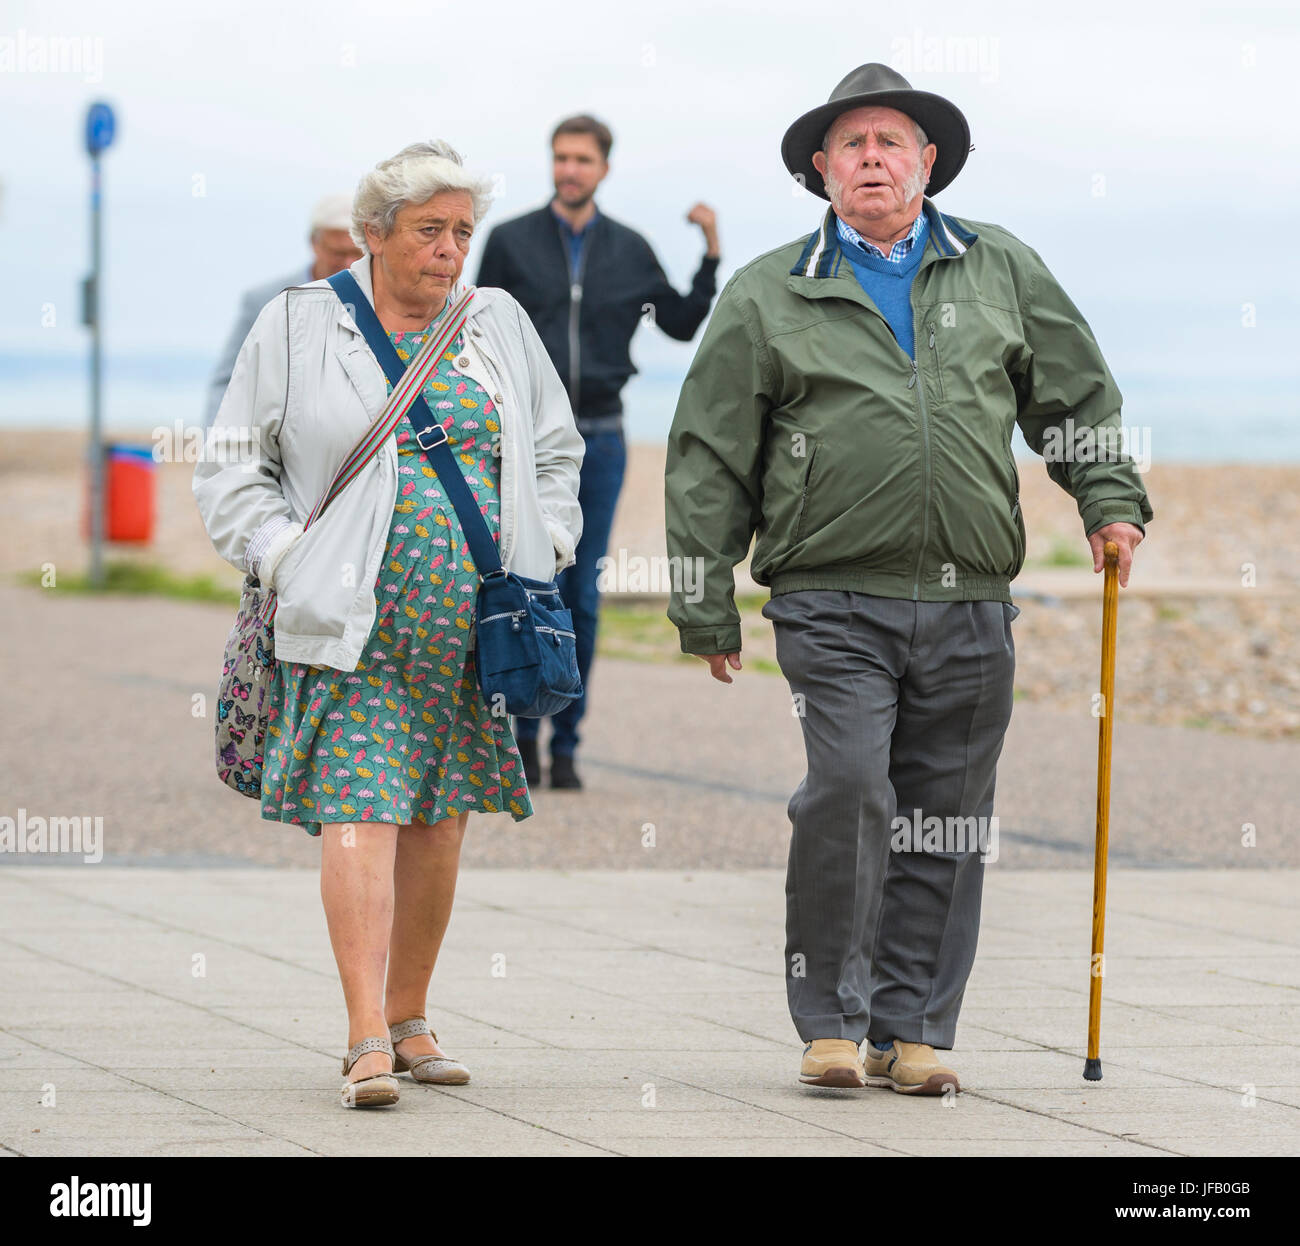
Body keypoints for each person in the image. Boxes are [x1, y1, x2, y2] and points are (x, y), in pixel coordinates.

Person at [664, 64, 1152, 1095]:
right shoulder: (766, 290)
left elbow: (1071, 394)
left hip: (970, 596)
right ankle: (832, 1022)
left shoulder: (998, 267)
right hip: (829, 595)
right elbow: (710, 453)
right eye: (852, 144)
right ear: (819, 169)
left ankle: (915, 1028)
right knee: (847, 792)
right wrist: (703, 598)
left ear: (928, 163)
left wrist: (1107, 498)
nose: (873, 158)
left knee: (946, 814)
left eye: (892, 141)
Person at [194, 140, 583, 1108]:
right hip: (350, 623)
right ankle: (365, 1031)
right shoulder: (297, 324)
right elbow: (232, 463)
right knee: (361, 812)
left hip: (474, 628)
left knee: (439, 821)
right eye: (429, 231)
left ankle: (412, 1018)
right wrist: (287, 558)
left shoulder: (495, 320)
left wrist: (549, 546)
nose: (450, 250)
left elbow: (552, 448)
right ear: (373, 234)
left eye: (462, 232)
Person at [475, 114, 720, 790]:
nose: (569, 169)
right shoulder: (510, 242)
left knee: (583, 593)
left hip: (602, 439)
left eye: (582, 159)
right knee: (527, 579)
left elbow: (678, 322)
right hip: (522, 438)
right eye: (560, 158)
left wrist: (710, 254)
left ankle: (569, 746)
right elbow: (475, 325)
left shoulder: (629, 250)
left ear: (604, 168)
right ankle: (520, 738)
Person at [203, 193, 362, 427]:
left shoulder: (380, 301)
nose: (348, 263)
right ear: (314, 244)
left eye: (357, 253)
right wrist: (219, 445)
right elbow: (229, 380)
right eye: (338, 252)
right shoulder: (263, 300)